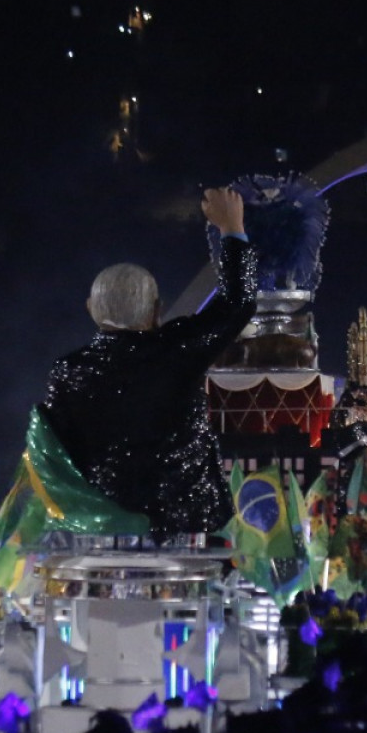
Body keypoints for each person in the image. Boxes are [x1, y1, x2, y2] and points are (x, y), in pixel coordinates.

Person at [41, 188, 257, 540]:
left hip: (103, 538)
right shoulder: (177, 351)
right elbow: (237, 304)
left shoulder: (68, 372)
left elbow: (55, 464)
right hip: (190, 537)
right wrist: (232, 228)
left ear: (91, 310)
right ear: (157, 310)